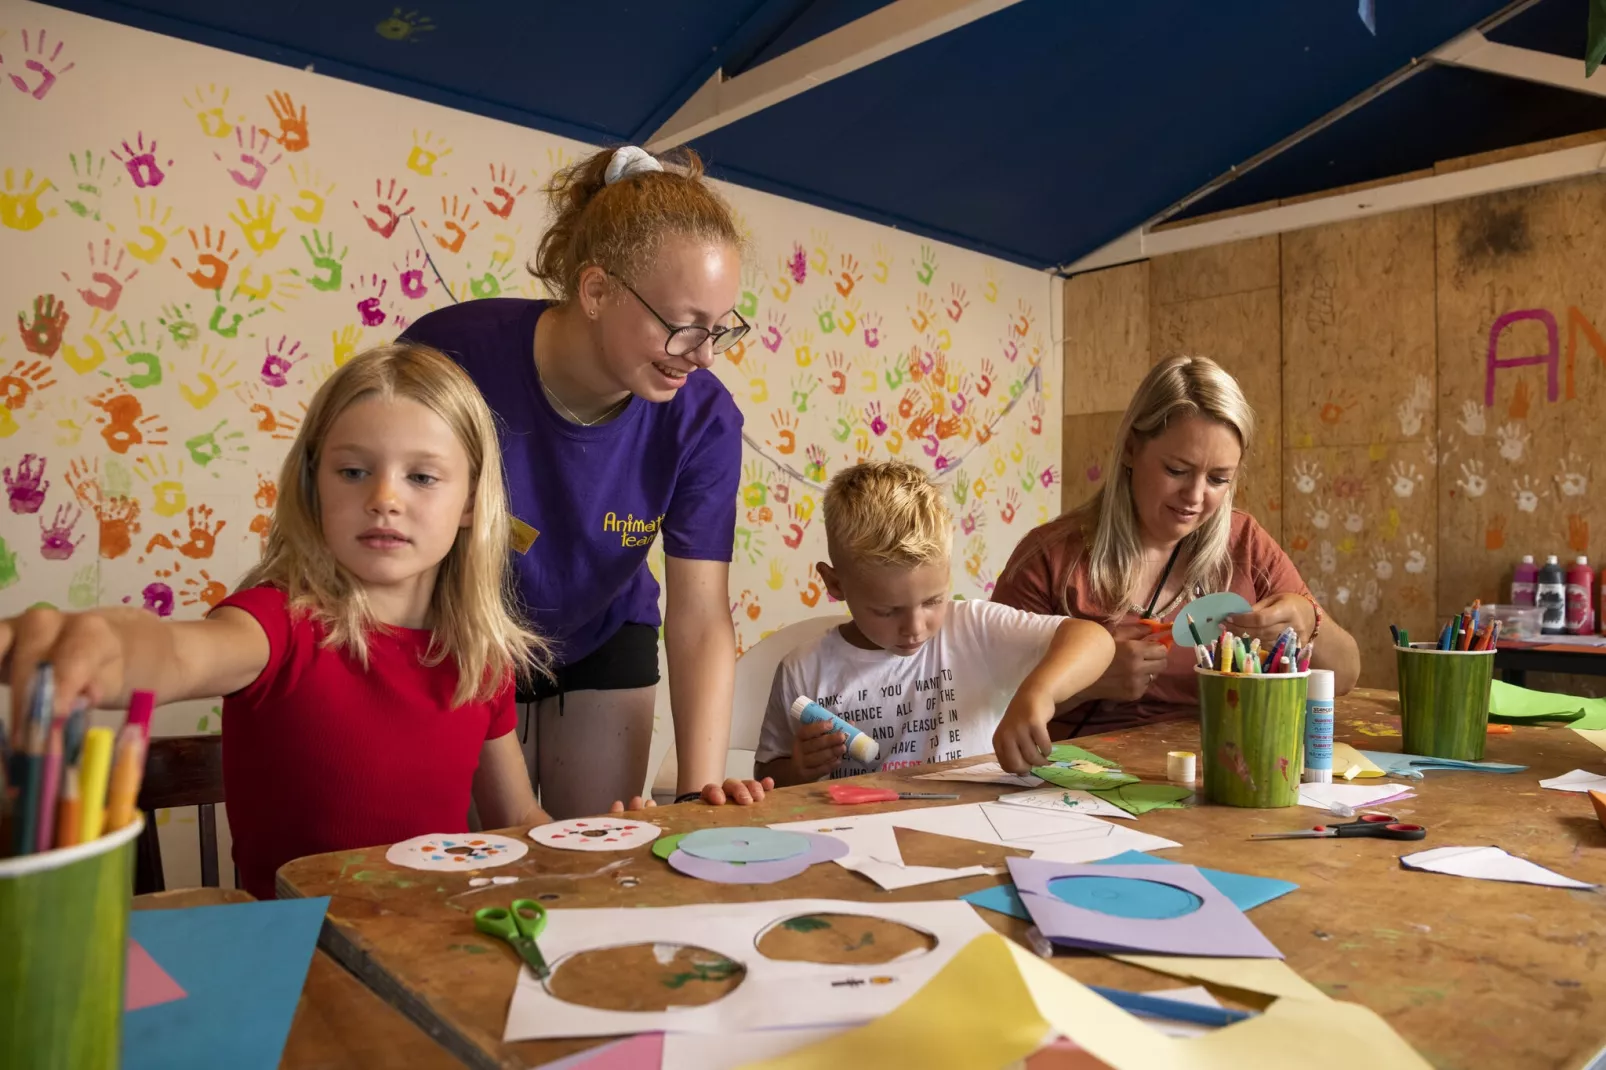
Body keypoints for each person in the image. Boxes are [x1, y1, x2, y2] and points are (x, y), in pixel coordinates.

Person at [0, 344, 560, 899]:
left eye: (422, 477)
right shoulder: (276, 625)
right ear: (314, 487)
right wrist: (104, 641)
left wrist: (613, 839)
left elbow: (516, 816)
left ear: (470, 502)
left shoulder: (478, 656)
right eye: (354, 470)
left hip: (431, 954)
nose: (384, 498)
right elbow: (175, 655)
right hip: (298, 963)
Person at [402, 145, 767, 816]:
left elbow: (699, 614)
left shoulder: (705, 419)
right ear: (596, 290)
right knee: (481, 864)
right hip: (463, 634)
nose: (705, 355)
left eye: (720, 330)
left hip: (604, 633)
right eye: (685, 327)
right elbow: (396, 554)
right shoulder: (452, 358)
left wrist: (698, 790)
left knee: (600, 856)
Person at [992, 355, 1360, 739]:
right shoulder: (1049, 558)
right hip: (1076, 787)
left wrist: (1308, 622)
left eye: (1218, 479)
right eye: (1177, 471)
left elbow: (1346, 674)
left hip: (1217, 773)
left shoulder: (1245, 543)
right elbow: (985, 699)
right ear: (1132, 449)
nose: (1195, 496)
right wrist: (1087, 679)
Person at [752, 462, 1115, 783]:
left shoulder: (972, 629)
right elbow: (768, 774)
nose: (915, 627)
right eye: (887, 611)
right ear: (835, 584)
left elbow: (1093, 638)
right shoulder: (803, 669)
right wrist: (799, 770)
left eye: (932, 601)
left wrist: (1038, 694)